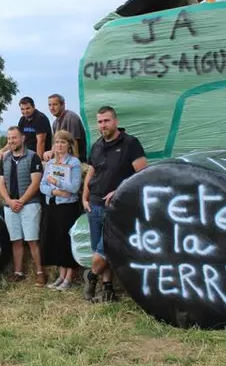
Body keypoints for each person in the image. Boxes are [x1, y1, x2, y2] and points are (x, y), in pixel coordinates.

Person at [82, 106, 147, 302]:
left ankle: (90, 275)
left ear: (116, 121)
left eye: (107, 121)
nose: (103, 125)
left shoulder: (130, 143)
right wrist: (84, 198)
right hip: (94, 204)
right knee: (99, 250)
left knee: (105, 250)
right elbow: (91, 173)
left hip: (118, 207)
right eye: (100, 121)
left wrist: (120, 191)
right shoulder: (96, 146)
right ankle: (107, 289)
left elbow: (143, 174)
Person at [0, 126, 46, 287]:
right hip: (10, 206)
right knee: (16, 240)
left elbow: (36, 183)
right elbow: (0, 183)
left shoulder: (33, 157)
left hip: (30, 205)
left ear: (23, 138)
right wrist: (9, 201)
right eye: (9, 138)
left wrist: (22, 201)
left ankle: (40, 273)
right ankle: (18, 272)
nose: (11, 141)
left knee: (32, 240)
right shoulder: (4, 159)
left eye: (14, 138)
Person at [39, 130, 83, 291]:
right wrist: (54, 191)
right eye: (57, 142)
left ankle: (69, 278)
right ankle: (61, 275)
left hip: (68, 206)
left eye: (63, 142)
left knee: (66, 240)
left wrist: (57, 182)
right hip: (53, 204)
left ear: (69, 145)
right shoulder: (50, 163)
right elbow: (42, 185)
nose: (59, 145)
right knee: (56, 240)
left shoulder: (74, 163)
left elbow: (74, 187)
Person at [45, 94, 87, 163]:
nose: (52, 108)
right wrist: (50, 153)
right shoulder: (55, 123)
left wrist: (73, 163)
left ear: (63, 105)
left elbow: (74, 142)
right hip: (62, 161)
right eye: (49, 105)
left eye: (55, 104)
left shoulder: (70, 117)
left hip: (75, 162)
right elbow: (55, 143)